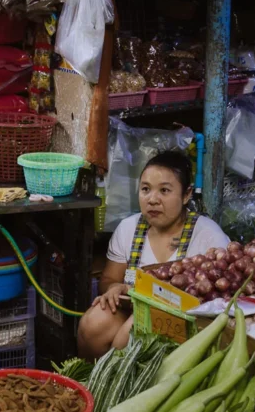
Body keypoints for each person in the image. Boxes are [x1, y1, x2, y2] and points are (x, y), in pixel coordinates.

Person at [77, 150, 230, 359]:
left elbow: (223, 302)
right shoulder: (128, 228)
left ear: (186, 195)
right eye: (146, 189)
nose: (153, 200)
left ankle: (117, 388)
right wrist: (115, 288)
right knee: (92, 324)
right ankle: (90, 382)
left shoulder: (209, 237)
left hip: (190, 323)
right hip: (134, 308)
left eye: (165, 191)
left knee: (128, 335)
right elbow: (109, 279)